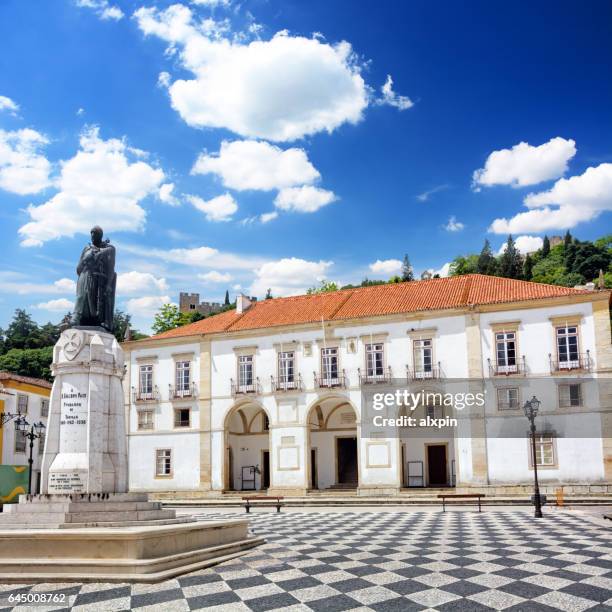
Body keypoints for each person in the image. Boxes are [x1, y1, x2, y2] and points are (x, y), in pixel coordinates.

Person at [71, 226, 116, 331]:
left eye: (95, 235)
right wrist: (85, 260)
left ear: (101, 236)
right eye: (91, 235)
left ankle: (96, 320)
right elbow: (78, 269)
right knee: (81, 297)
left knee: (94, 303)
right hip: (84, 276)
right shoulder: (87, 248)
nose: (92, 237)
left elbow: (111, 268)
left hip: (98, 279)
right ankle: (77, 316)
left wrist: (109, 284)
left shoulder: (109, 249)